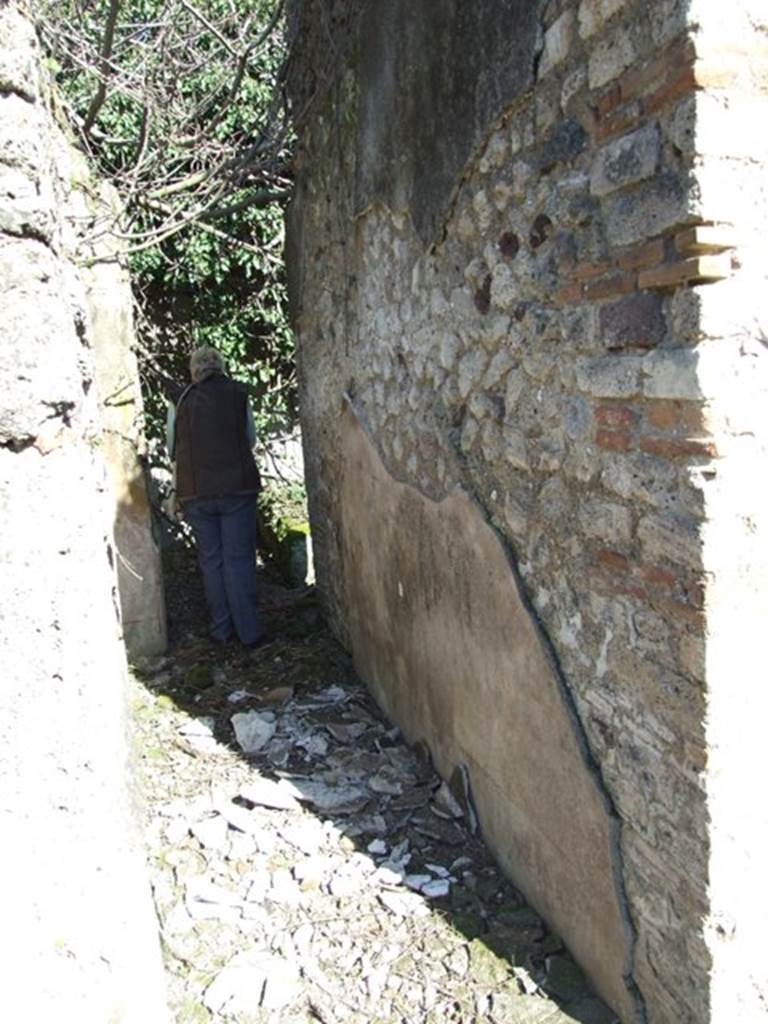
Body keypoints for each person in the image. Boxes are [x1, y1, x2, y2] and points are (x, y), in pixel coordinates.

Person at [166, 346, 266, 648]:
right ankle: (249, 633)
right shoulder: (239, 393)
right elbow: (251, 438)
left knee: (212, 561)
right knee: (239, 559)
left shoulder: (179, 399)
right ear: (221, 367)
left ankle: (221, 631)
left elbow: (172, 448)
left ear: (193, 371)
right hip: (237, 488)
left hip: (196, 492)